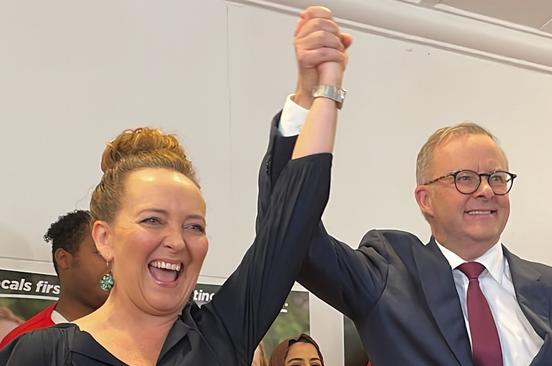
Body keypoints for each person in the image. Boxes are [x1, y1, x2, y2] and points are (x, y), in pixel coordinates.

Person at [258, 6, 552, 366]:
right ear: (425, 199)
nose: (486, 190)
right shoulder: (389, 273)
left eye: (496, 177)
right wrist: (309, 99)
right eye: (465, 178)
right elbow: (292, 236)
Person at [0, 42, 341, 364]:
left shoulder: (218, 338)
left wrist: (316, 93)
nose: (177, 242)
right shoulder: (44, 354)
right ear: (104, 237)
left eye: (194, 226)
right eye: (153, 220)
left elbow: (291, 223)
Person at [0, 210, 109, 349]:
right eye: (100, 252)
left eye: (117, 252)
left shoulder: (136, 337)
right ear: (63, 259)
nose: (113, 261)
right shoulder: (22, 344)